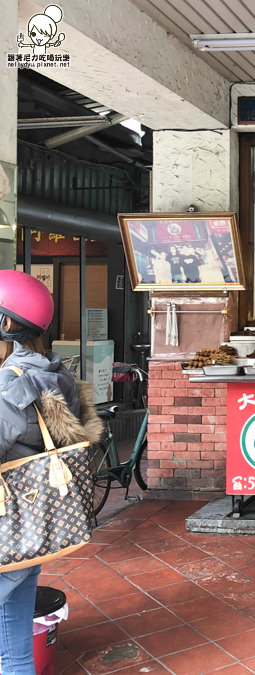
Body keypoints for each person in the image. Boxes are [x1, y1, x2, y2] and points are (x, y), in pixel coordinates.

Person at [0, 270, 102, 675]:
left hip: (9, 528)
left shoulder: (12, 383)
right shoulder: (53, 372)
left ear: (6, 324)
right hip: (30, 531)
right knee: (14, 647)